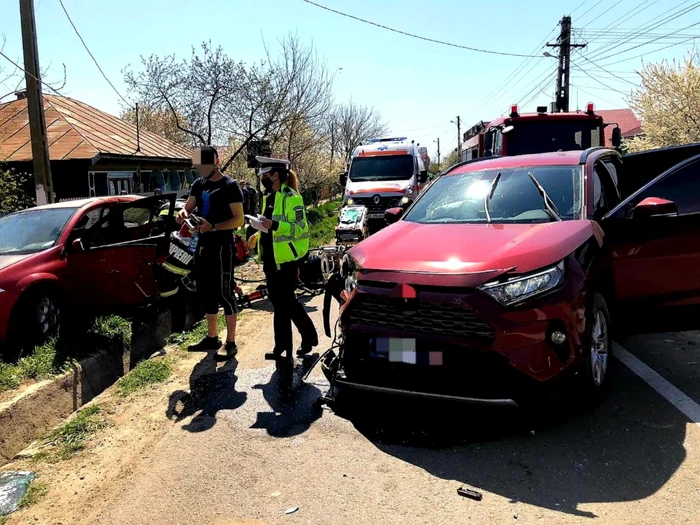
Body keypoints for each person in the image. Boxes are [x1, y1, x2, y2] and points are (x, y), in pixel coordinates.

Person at [176, 145, 245, 359]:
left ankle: (230, 342)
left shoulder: (230, 186)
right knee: (206, 293)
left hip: (222, 246)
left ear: (216, 162)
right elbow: (189, 206)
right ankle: (212, 337)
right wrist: (183, 213)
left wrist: (213, 226)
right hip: (202, 245)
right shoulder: (198, 184)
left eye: (205, 164)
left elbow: (239, 219)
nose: (201, 169)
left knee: (225, 293)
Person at [253, 156, 318, 362]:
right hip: (271, 259)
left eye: (264, 174)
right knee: (279, 304)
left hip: (287, 260)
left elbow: (299, 229)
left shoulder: (292, 198)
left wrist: (273, 225)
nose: (262, 178)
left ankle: (307, 337)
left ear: (275, 174)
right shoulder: (269, 196)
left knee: (287, 303)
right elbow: (269, 225)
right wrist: (258, 230)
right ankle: (282, 346)